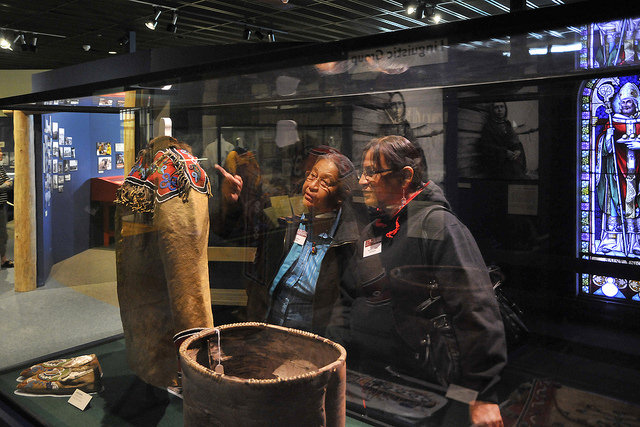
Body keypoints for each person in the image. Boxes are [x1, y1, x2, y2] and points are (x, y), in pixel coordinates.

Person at [345, 135, 506, 426]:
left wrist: (483, 394)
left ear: (405, 176)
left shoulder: (438, 226)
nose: (362, 181)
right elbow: (351, 294)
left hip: (426, 385)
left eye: (371, 172)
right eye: (361, 171)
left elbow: (475, 308)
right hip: (372, 377)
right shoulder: (374, 229)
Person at [216, 151, 361, 335]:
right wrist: (232, 203)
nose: (312, 186)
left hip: (311, 343)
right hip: (265, 330)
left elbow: (344, 310)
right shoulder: (285, 215)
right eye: (312, 176)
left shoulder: (346, 240)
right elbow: (239, 233)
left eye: (325, 182)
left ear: (341, 195)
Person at [597, 81, 640, 255]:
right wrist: (608, 138)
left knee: (635, 201)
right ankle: (612, 239)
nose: (625, 105)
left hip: (637, 172)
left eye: (629, 102)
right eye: (622, 102)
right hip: (616, 171)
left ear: (636, 103)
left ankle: (636, 239)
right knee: (613, 200)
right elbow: (604, 148)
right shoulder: (612, 121)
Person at [479, 102, 528, 179]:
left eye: (502, 107)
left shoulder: (507, 124)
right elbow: (486, 146)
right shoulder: (488, 127)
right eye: (496, 107)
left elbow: (513, 139)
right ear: (492, 110)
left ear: (505, 109)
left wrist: (517, 150)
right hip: (497, 161)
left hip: (510, 158)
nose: (499, 110)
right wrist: (504, 152)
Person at [0, 147, 13, 269]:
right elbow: (7, 183)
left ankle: (3, 260)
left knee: (3, 234)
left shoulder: (1, 168)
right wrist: (5, 184)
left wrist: (5, 184)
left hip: (2, 205)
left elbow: (10, 181)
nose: (1, 153)